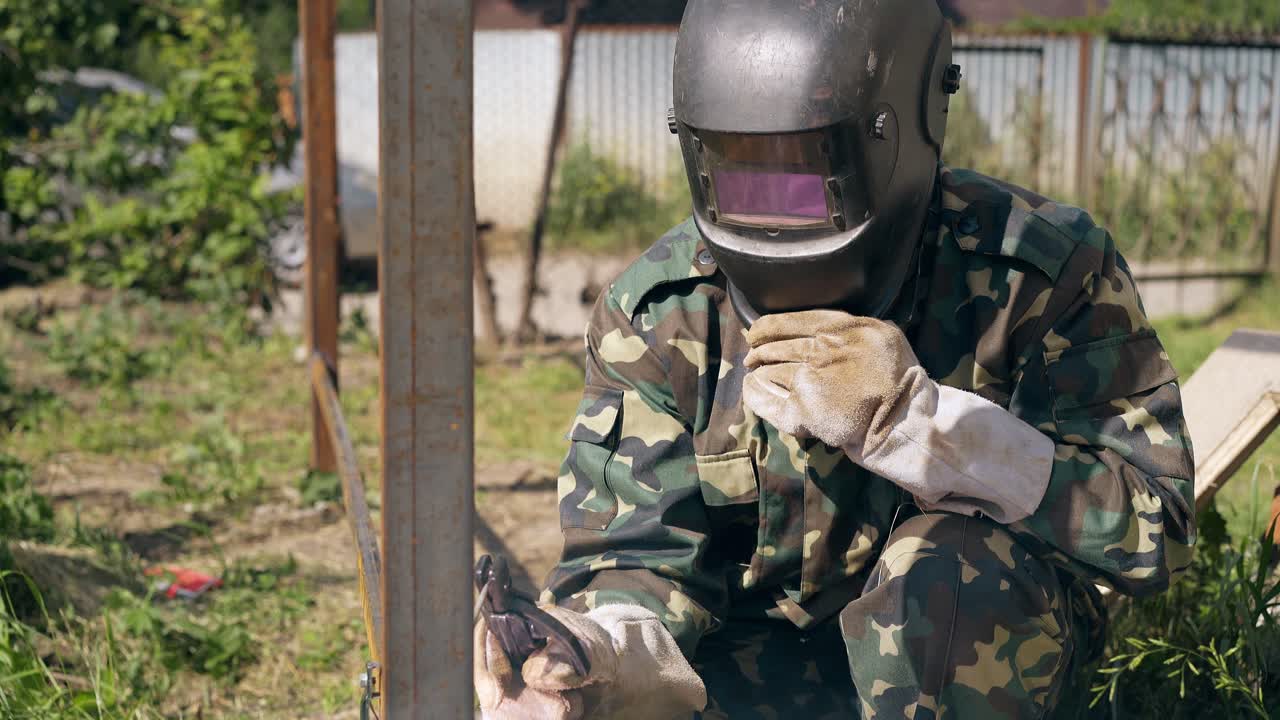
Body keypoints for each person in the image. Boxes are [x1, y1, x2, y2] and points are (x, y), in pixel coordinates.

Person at [474, 0, 1196, 717]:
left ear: (904, 123)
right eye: (740, 168)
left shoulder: (1038, 274)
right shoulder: (661, 314)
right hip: (743, 679)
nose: (776, 202)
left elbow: (1157, 531)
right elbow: (634, 556)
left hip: (963, 662)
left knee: (946, 571)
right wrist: (598, 652)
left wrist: (932, 430)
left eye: (807, 168)